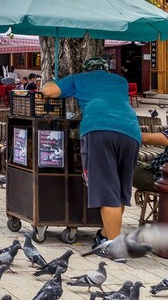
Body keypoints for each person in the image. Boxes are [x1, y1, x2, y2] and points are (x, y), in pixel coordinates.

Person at [42, 57, 141, 252]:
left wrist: (49, 81)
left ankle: (115, 248)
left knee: (107, 192)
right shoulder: (120, 81)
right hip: (131, 132)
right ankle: (105, 235)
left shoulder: (80, 78)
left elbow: (50, 91)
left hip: (99, 129)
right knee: (120, 190)